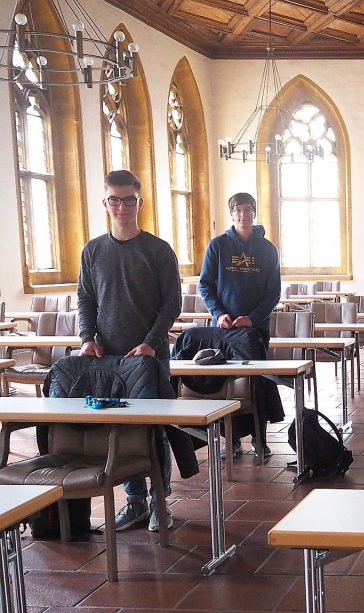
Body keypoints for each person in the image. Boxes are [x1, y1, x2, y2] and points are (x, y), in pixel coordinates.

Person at [78, 169, 182, 532]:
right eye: (114, 199)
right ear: (105, 203)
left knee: (154, 430)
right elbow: (86, 299)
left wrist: (151, 343)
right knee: (118, 430)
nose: (121, 206)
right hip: (109, 358)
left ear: (139, 202)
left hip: (149, 356)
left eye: (128, 199)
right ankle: (134, 502)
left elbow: (172, 303)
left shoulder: (157, 249)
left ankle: (161, 503)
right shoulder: (93, 250)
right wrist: (86, 337)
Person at [198, 192, 282, 456]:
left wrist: (253, 318)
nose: (243, 215)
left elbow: (273, 292)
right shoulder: (218, 245)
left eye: (248, 210)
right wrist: (219, 312)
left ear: (254, 213)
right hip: (225, 329)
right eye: (238, 210)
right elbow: (206, 285)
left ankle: (260, 438)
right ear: (231, 214)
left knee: (258, 383)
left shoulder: (267, 249)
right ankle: (231, 439)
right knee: (227, 386)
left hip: (256, 329)